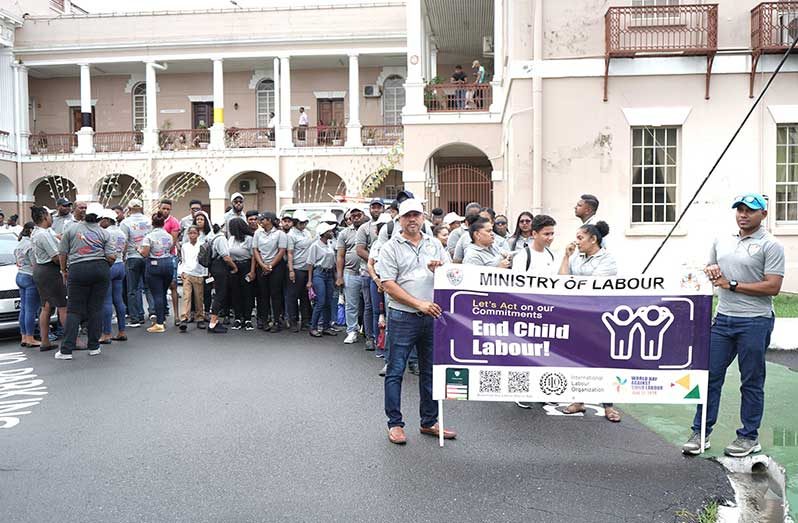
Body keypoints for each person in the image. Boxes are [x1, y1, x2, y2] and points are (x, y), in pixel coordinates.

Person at [682, 193, 784, 457]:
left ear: (763, 214)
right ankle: (700, 432)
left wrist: (733, 285)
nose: (743, 214)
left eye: (750, 210)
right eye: (739, 209)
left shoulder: (771, 245)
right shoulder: (722, 239)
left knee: (751, 381)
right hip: (723, 319)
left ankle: (749, 437)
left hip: (755, 322)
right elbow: (711, 266)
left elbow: (773, 287)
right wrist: (712, 270)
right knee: (709, 377)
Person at [378, 199, 456, 445]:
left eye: (416, 215)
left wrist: (440, 271)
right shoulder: (390, 247)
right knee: (396, 371)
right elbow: (388, 284)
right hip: (403, 316)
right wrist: (418, 303)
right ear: (399, 219)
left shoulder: (435, 244)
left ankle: (429, 421)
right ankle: (395, 424)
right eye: (407, 215)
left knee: (431, 371)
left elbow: (452, 275)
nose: (412, 219)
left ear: (423, 218)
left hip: (432, 315)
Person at [557, 220, 620, 422]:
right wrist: (566, 256)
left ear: (593, 239)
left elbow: (592, 287)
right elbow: (562, 281)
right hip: (578, 315)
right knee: (578, 358)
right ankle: (578, 400)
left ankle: (608, 405)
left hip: (600, 317)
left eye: (580, 238)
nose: (577, 242)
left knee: (602, 360)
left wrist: (573, 287)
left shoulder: (607, 259)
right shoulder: (576, 257)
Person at [55, 203, 115, 360]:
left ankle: (66, 350)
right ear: (100, 217)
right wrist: (104, 265)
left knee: (74, 310)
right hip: (100, 268)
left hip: (77, 269)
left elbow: (62, 252)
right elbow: (112, 257)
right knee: (96, 308)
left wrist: (64, 270)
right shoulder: (104, 233)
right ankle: (94, 346)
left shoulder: (71, 230)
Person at [30, 206, 66, 352]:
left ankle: (45, 341)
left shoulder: (37, 232)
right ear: (45, 217)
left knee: (46, 306)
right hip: (50, 271)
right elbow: (56, 257)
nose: (52, 218)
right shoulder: (43, 234)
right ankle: (73, 340)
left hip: (40, 270)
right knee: (63, 306)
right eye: (50, 216)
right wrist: (66, 265)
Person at [337, 206, 368, 344]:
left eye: (358, 215)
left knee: (369, 305)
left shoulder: (369, 229)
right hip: (351, 273)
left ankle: (368, 332)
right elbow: (340, 256)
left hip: (368, 272)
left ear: (363, 215)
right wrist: (339, 276)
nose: (356, 217)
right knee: (351, 305)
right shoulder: (344, 233)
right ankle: (351, 331)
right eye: (353, 215)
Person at [139, 212, 174, 333]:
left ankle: (159, 323)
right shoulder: (168, 236)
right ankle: (162, 317)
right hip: (168, 263)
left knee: (157, 295)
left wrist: (139, 249)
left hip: (155, 265)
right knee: (163, 293)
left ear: (152, 223)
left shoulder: (149, 237)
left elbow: (145, 253)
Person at [254, 211, 288, 333]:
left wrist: (270, 266)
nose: (260, 222)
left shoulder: (280, 234)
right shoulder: (258, 233)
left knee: (275, 294)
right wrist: (263, 265)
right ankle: (264, 320)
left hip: (277, 267)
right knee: (263, 295)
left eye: (262, 219)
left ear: (269, 220)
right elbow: (256, 250)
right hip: (262, 266)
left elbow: (281, 251)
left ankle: (276, 321)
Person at [120, 199, 152, 328]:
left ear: (129, 208)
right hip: (147, 255)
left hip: (132, 256)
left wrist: (123, 256)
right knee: (149, 286)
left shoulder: (125, 223)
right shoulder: (148, 221)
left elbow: (123, 241)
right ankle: (153, 312)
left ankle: (136, 317)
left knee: (133, 289)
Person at [99, 209, 127, 344]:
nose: (100, 222)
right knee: (119, 300)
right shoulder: (121, 232)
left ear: (107, 220)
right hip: (120, 264)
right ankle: (122, 331)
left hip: (109, 266)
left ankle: (107, 333)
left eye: (102, 219)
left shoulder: (105, 233)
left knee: (107, 301)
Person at [306, 222, 338, 337]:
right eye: (329, 231)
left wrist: (335, 277)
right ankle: (313, 327)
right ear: (323, 234)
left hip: (329, 274)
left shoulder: (330, 244)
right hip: (319, 273)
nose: (331, 232)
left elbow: (333, 263)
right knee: (320, 302)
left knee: (329, 301)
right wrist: (309, 281)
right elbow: (310, 263)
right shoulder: (315, 245)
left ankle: (326, 326)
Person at [206, 218, 237, 334]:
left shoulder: (210, 236)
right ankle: (213, 323)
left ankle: (214, 321)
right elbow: (226, 257)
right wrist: (234, 267)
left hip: (213, 266)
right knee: (220, 295)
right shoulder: (221, 238)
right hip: (220, 267)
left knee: (217, 293)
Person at [227, 217, 256, 331]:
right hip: (234, 267)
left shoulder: (249, 239)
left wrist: (252, 271)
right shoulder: (231, 239)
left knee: (247, 292)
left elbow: (253, 256)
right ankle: (238, 318)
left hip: (246, 266)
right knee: (235, 293)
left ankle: (248, 319)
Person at [15, 222, 41, 348]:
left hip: (20, 275)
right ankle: (30, 337)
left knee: (24, 308)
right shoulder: (30, 245)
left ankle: (24, 336)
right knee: (31, 309)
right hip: (30, 277)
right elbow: (35, 265)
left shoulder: (19, 243)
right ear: (31, 230)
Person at [286, 210, 313, 332]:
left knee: (305, 297)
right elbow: (290, 253)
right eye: (301, 223)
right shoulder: (291, 235)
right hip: (297, 268)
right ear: (296, 222)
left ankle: (306, 321)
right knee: (293, 296)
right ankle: (293, 321)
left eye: (305, 222)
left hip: (307, 268)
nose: (304, 225)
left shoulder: (306, 232)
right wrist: (291, 270)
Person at [178, 225, 207, 331]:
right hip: (187, 273)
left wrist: (205, 273)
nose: (192, 235)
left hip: (198, 273)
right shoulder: (185, 246)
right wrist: (182, 271)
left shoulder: (202, 245)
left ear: (198, 234)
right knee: (187, 296)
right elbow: (183, 259)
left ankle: (200, 318)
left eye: (194, 233)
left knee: (199, 297)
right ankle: (184, 318)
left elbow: (204, 261)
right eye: (190, 233)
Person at [159, 199, 181, 324]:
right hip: (156, 257)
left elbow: (172, 241)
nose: (165, 211)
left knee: (173, 285)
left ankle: (176, 316)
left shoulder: (174, 222)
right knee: (159, 286)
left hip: (170, 256)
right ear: (160, 208)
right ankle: (161, 314)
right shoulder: (156, 220)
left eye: (168, 209)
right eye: (164, 208)